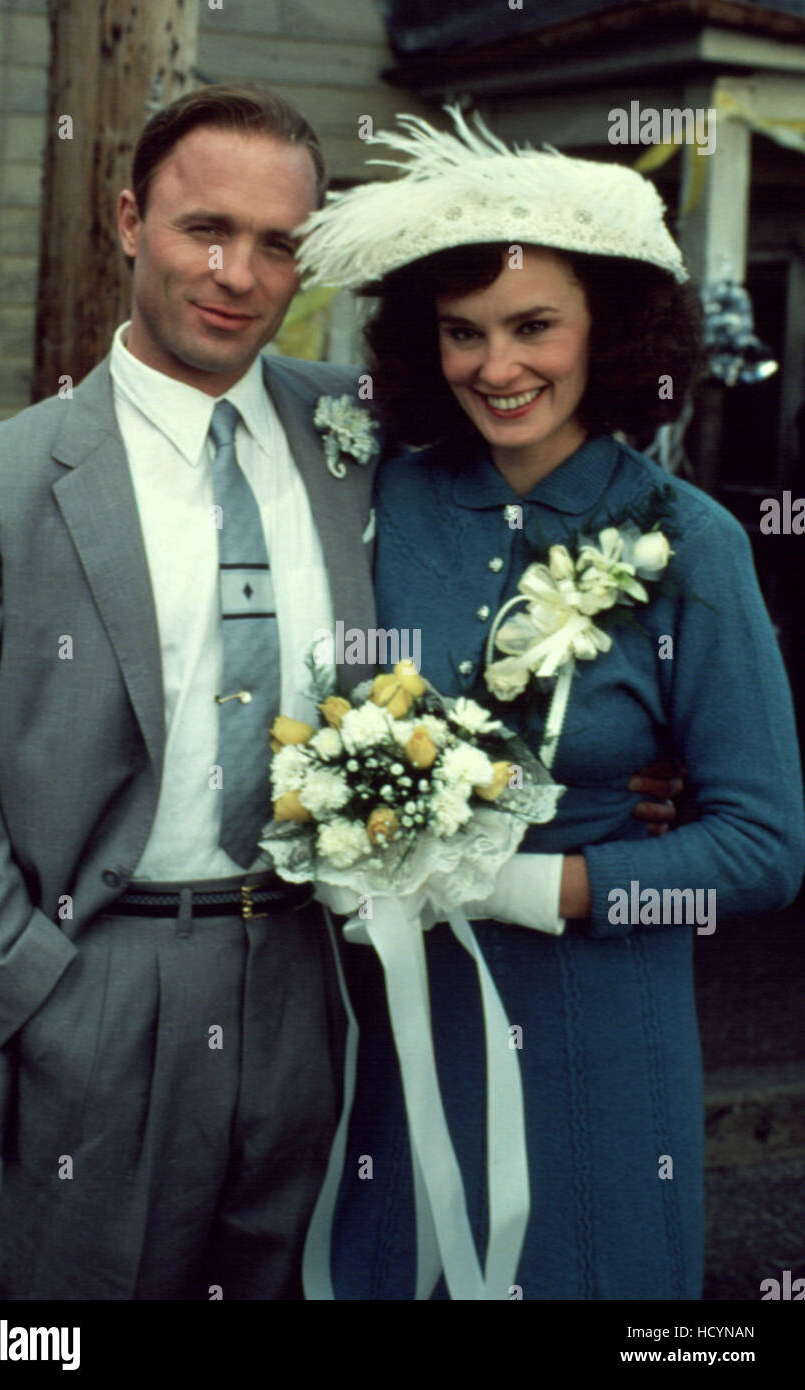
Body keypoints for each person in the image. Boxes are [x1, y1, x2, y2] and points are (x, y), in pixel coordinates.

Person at [0, 85, 679, 1302]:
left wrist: (628, 748)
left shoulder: (364, 431)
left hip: (323, 979)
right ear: (129, 221)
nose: (237, 273)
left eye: (280, 243)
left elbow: (535, 526)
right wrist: (28, 989)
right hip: (103, 979)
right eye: (202, 229)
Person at [294, 110, 805, 1300]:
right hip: (391, 1021)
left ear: (609, 332)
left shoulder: (694, 542)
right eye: (462, 333)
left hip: (597, 1020)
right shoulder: (379, 497)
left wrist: (542, 884)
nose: (496, 365)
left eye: (534, 327)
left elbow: (767, 845)